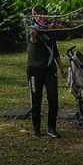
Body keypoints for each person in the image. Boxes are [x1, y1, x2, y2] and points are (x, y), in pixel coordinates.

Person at [27, 9, 61, 138]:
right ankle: (36, 129)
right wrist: (44, 27)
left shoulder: (51, 32)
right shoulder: (32, 30)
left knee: (53, 99)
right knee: (36, 100)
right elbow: (34, 37)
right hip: (34, 71)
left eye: (44, 15)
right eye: (39, 15)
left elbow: (55, 50)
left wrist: (62, 68)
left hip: (50, 70)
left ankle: (51, 128)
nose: (42, 17)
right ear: (35, 17)